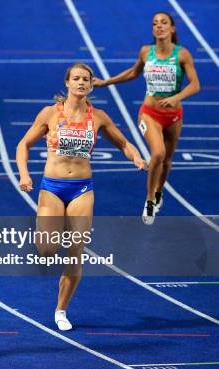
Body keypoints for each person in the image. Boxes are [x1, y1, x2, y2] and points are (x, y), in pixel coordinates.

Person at [16, 63, 147, 331]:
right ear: (67, 83)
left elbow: (123, 142)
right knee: (47, 249)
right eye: (76, 78)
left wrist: (135, 156)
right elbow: (23, 144)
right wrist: (24, 175)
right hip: (52, 186)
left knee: (76, 249)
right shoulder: (50, 114)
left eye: (85, 79)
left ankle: (61, 309)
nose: (81, 83)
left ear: (91, 84)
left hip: (81, 189)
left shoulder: (97, 116)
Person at [93, 11, 200, 225]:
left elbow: (195, 85)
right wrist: (106, 82)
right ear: (153, 29)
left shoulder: (182, 55)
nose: (159, 26)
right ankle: (149, 200)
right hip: (149, 113)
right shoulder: (146, 52)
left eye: (163, 23)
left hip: (174, 115)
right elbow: (133, 73)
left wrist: (176, 98)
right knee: (157, 153)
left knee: (167, 161)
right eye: (155, 24)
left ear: (172, 29)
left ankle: (159, 191)